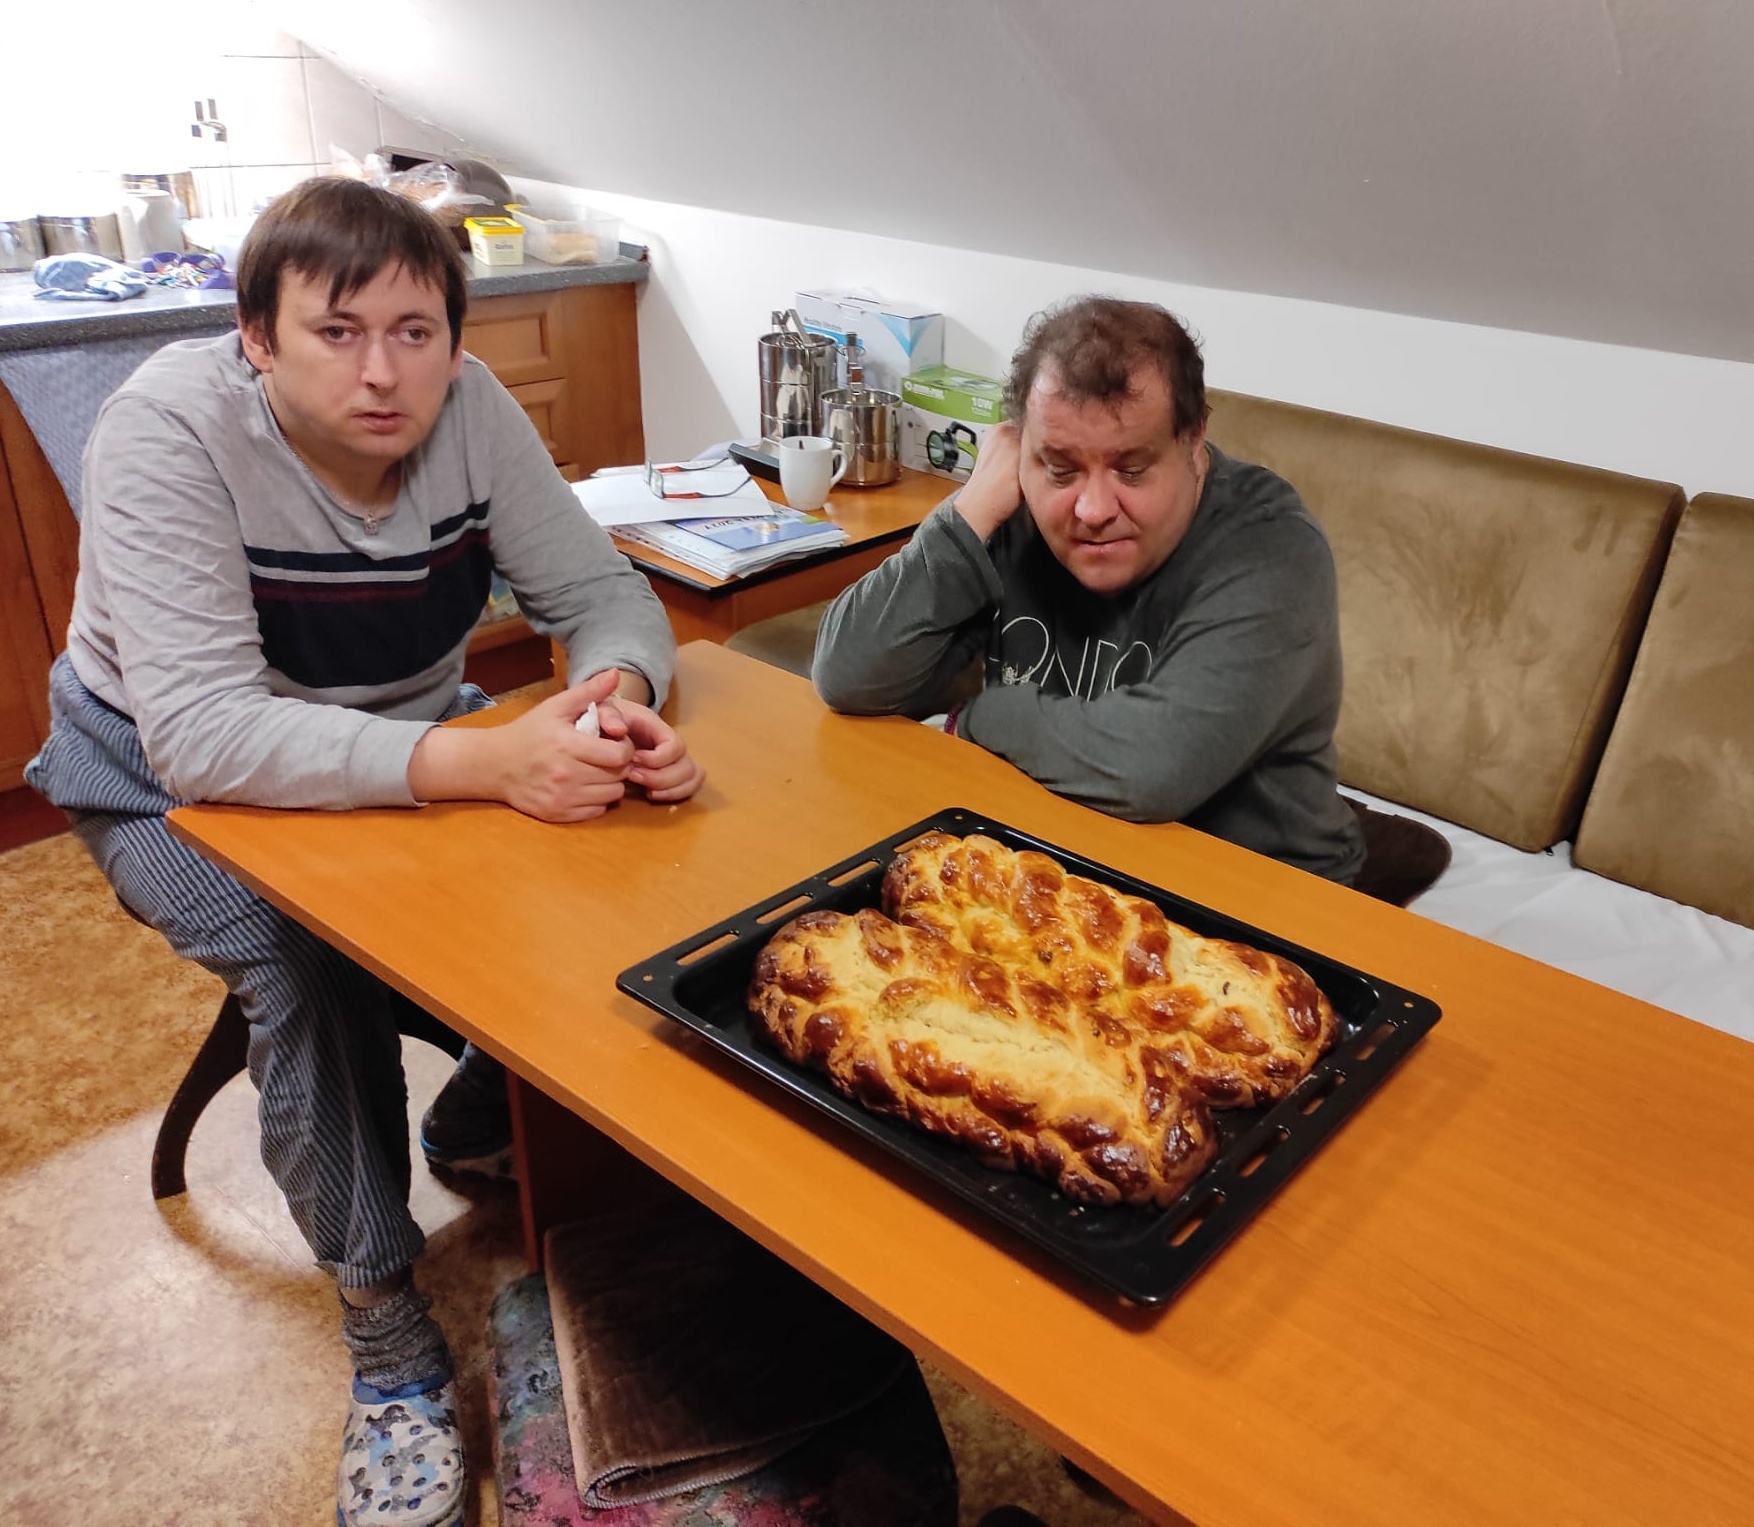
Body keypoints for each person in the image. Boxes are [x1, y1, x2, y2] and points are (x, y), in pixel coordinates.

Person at [25, 177, 703, 1527]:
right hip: (161, 779)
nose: (383, 371)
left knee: (600, 855)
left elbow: (601, 595)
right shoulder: (165, 429)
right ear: (256, 338)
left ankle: (479, 1109)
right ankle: (388, 1340)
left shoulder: (472, 410)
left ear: (453, 338)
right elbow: (206, 733)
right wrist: (485, 763)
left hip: (399, 734)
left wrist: (609, 707)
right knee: (308, 964)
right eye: (337, 332)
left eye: (414, 331)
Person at [812, 296, 1362, 883]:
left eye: (1131, 470)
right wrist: (968, 513)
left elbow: (1152, 769)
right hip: (1063, 862)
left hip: (1262, 891)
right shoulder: (1012, 510)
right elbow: (848, 675)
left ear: (1194, 439)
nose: (1093, 510)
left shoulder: (1272, 547)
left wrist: (982, 719)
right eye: (1061, 469)